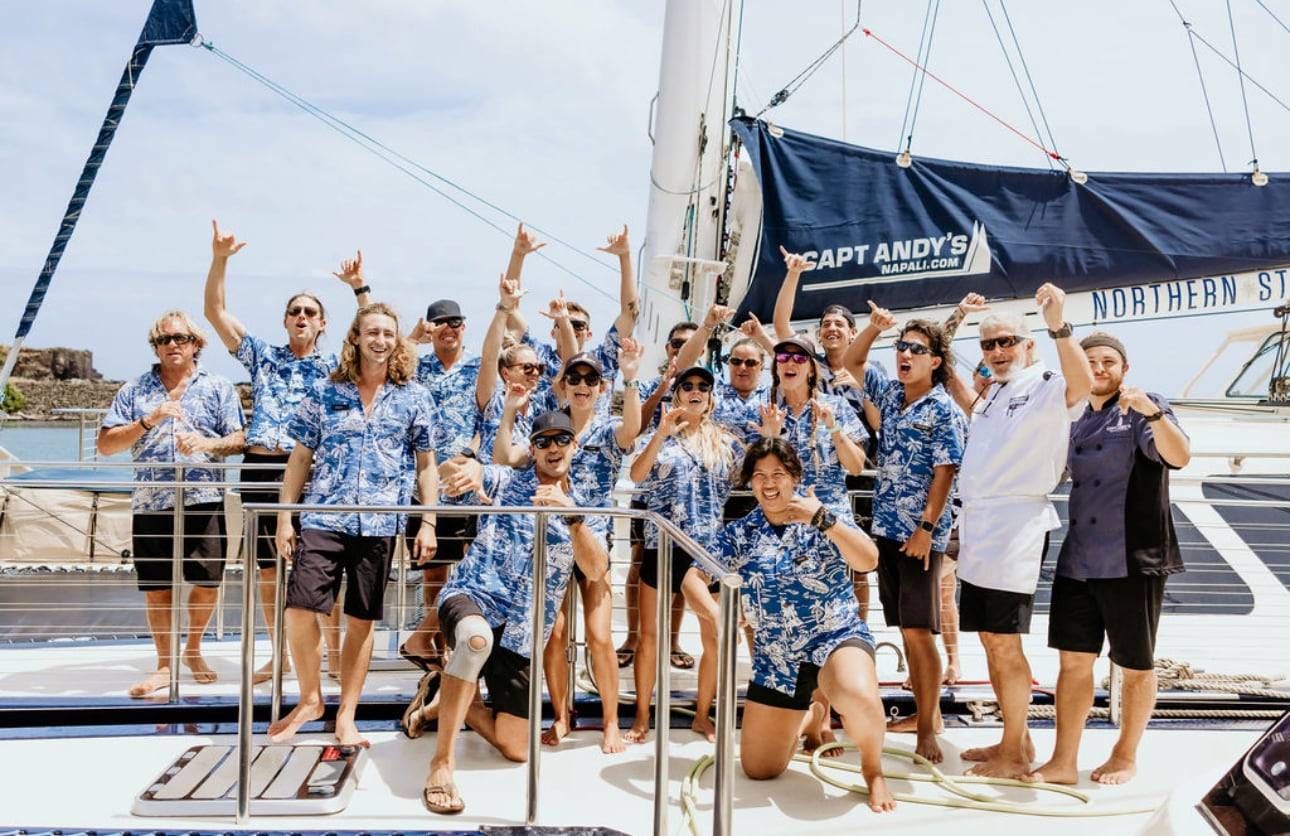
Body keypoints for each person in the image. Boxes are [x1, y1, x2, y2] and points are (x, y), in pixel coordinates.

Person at [683, 437, 894, 812]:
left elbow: (868, 561)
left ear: (794, 476)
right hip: (777, 660)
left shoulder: (823, 516)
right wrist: (720, 618)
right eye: (760, 475)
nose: (768, 483)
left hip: (836, 638)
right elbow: (691, 579)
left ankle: (873, 770)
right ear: (749, 482)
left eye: (778, 474)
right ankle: (812, 713)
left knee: (856, 695)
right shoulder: (740, 534)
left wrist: (824, 520)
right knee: (759, 770)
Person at [417, 410, 609, 815]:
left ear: (574, 445)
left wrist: (571, 517)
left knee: (518, 748)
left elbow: (595, 570)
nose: (552, 448)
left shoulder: (585, 506)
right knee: (474, 641)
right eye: (543, 441)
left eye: (561, 439)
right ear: (533, 449)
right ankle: (441, 764)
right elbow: (460, 470)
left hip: (524, 630)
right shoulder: (507, 481)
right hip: (473, 596)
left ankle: (445, 694)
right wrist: (463, 469)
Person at [203, 219, 369, 683]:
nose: (301, 316)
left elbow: (375, 330)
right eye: (294, 310)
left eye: (309, 312)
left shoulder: (336, 367)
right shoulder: (264, 356)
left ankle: (333, 657)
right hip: (260, 468)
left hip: (312, 474)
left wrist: (359, 288)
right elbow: (215, 312)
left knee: (321, 567)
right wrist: (220, 260)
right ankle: (280, 656)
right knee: (268, 571)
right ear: (285, 320)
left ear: (321, 323)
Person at [268, 302, 439, 748]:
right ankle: (310, 699)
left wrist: (428, 521)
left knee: (361, 623)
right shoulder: (326, 392)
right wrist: (286, 517)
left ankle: (346, 714)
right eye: (372, 332)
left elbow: (426, 465)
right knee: (300, 609)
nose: (380, 340)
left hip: (382, 522)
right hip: (324, 515)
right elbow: (300, 459)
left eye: (388, 332)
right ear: (356, 339)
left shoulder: (414, 396)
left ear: (396, 340)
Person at [1024, 331, 1190, 786]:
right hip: (1078, 560)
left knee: (1135, 665)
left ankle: (1125, 754)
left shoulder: (1143, 407)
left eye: (1108, 361)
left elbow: (1180, 457)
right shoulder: (1074, 416)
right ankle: (1062, 761)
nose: (1098, 368)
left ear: (1124, 369)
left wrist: (1152, 413)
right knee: (1073, 663)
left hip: (1131, 561)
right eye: (1090, 361)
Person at [951, 283, 1092, 779]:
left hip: (1014, 528)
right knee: (989, 639)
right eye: (989, 344)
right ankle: (1018, 739)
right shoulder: (993, 392)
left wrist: (1058, 324)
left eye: (1007, 341)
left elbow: (1083, 386)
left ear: (1028, 345)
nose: (997, 351)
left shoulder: (1047, 379)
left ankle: (1013, 753)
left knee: (1004, 641)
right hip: (979, 527)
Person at [493, 346, 644, 753]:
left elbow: (632, 430)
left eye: (590, 380)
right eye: (574, 379)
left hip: (593, 541)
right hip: (552, 545)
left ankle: (611, 722)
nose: (582, 385)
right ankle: (561, 716)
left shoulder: (609, 430)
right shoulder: (550, 433)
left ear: (600, 387)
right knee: (555, 635)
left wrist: (631, 379)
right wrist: (509, 409)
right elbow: (506, 458)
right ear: (563, 385)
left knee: (598, 636)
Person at [98, 311, 245, 697]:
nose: (173, 345)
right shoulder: (135, 390)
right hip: (152, 501)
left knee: (208, 582)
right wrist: (148, 421)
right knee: (158, 586)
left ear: (196, 343)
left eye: (181, 338)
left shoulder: (218, 387)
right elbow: (106, 445)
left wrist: (207, 444)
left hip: (204, 498)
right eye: (165, 340)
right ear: (156, 347)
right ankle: (164, 665)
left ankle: (193, 650)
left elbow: (240, 438)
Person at [843, 304, 966, 764]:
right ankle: (924, 718)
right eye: (902, 346)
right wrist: (874, 331)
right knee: (904, 627)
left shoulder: (944, 408)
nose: (905, 353)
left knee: (918, 632)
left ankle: (928, 727)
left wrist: (926, 528)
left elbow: (946, 470)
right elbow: (852, 364)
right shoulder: (893, 396)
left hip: (919, 536)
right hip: (886, 530)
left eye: (916, 348)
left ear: (935, 360)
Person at [627, 365, 743, 743]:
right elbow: (637, 475)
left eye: (703, 387)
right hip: (663, 547)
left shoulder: (724, 441)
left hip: (707, 553)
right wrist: (660, 433)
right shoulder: (662, 436)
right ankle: (643, 716)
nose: (695, 391)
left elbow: (752, 477)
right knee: (650, 638)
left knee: (712, 637)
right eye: (687, 385)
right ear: (677, 394)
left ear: (710, 396)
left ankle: (702, 715)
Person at [402, 298, 484, 669]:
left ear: (464, 326)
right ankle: (434, 644)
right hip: (425, 486)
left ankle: (434, 638)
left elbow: (489, 418)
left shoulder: (480, 367)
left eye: (456, 321)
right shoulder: (414, 366)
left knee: (469, 568)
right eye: (441, 323)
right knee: (434, 572)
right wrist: (412, 340)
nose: (449, 327)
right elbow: (378, 364)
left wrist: (469, 455)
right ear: (431, 328)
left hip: (466, 486)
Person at [617, 319, 701, 672]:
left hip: (689, 493)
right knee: (640, 563)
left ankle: (672, 640)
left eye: (688, 343)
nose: (681, 348)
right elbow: (635, 429)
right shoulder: (653, 384)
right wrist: (661, 390)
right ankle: (633, 638)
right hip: (650, 488)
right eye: (675, 343)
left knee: (682, 573)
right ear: (667, 349)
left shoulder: (702, 387)